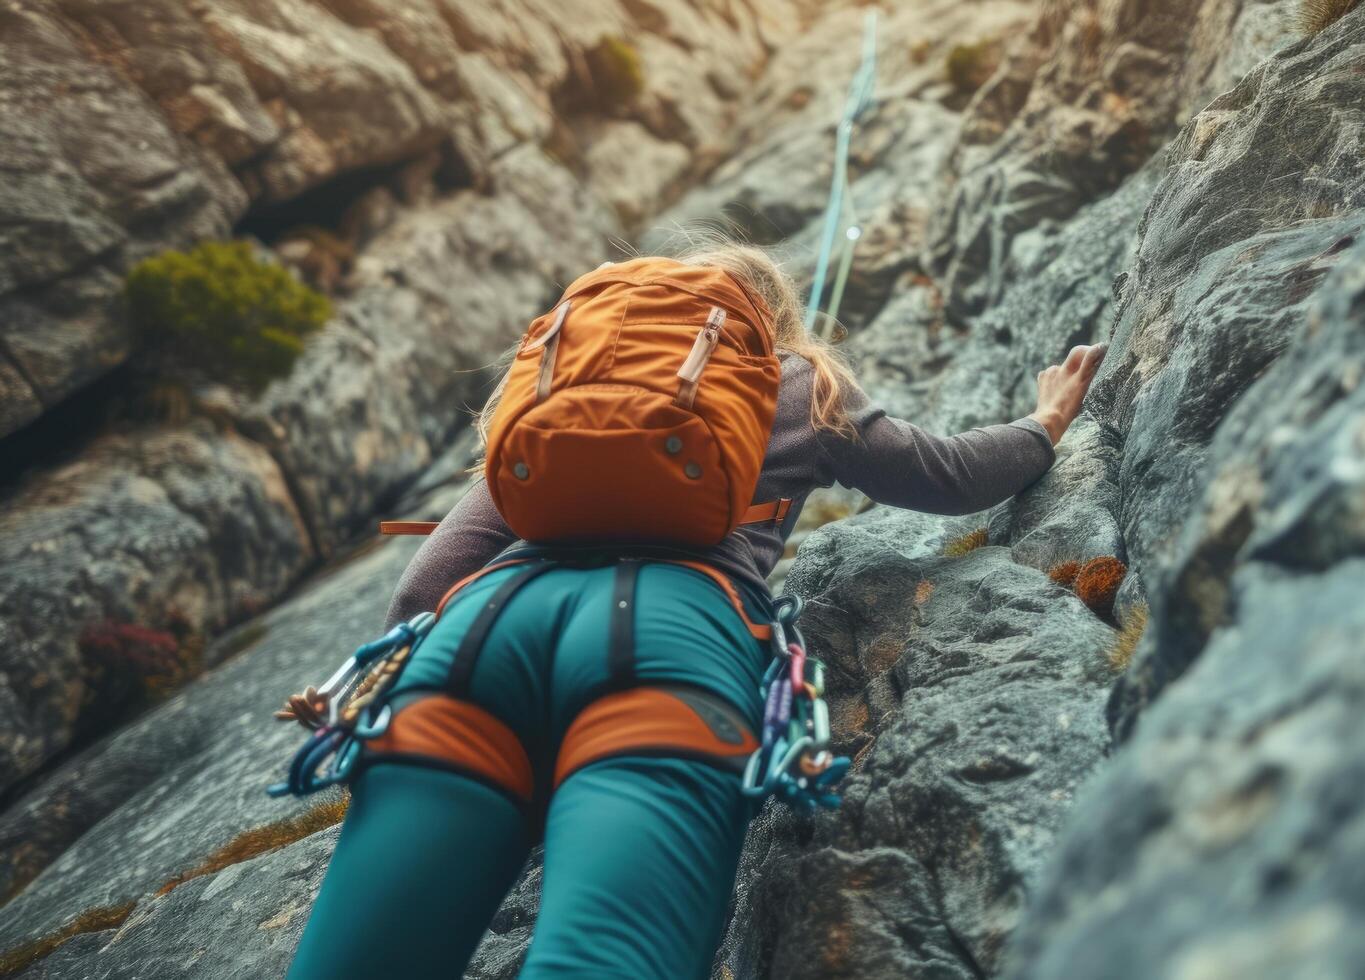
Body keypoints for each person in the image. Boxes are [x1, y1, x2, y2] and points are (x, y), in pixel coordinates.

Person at [285, 243, 1105, 980]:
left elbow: (422, 592)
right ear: (766, 323)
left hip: (480, 634)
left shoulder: (564, 397)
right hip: (671, 634)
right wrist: (1045, 422)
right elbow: (946, 476)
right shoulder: (798, 380)